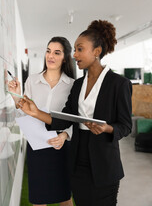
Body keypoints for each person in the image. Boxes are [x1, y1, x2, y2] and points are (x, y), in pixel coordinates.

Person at [18, 20, 132, 206]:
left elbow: (126, 126)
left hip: (103, 163)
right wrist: (36, 112)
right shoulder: (78, 85)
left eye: (80, 49)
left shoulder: (119, 84)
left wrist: (107, 128)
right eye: (75, 50)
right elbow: (63, 119)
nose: (75, 54)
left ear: (96, 52)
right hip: (77, 160)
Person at [8, 37, 75, 206]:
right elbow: (25, 111)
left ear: (65, 57)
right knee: (38, 198)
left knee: (65, 197)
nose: (50, 56)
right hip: (37, 146)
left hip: (61, 146)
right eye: (48, 51)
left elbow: (75, 118)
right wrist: (15, 94)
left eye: (56, 52)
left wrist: (65, 135)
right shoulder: (32, 80)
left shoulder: (73, 85)